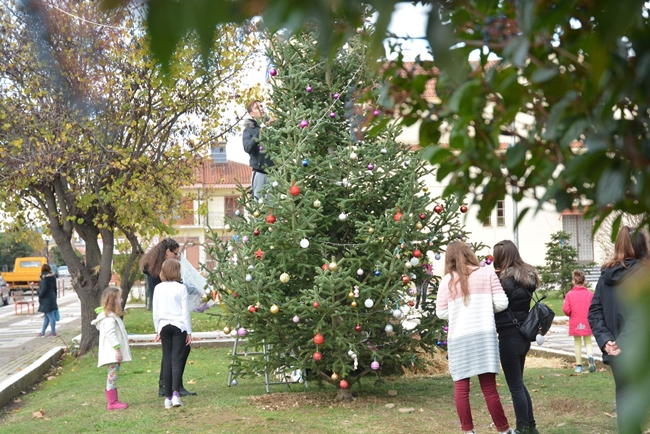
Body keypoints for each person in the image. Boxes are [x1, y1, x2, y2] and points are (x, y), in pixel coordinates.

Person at [435, 241, 515, 434]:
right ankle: (504, 430)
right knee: (489, 389)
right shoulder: (487, 273)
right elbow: (502, 303)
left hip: (459, 339)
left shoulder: (446, 281)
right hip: (484, 338)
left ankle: (468, 431)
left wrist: (459, 310)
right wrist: (484, 306)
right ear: (469, 253)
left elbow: (441, 313)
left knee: (461, 388)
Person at [589, 226, 649, 434]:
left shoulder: (605, 275)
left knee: (624, 397)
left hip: (616, 349)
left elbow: (594, 311)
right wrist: (616, 343)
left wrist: (607, 341)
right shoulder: (644, 273)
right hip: (639, 349)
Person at [492, 240, 539, 434]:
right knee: (519, 383)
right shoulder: (527, 277)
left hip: (508, 335)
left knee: (515, 386)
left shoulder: (503, 281)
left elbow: (496, 305)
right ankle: (531, 426)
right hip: (524, 334)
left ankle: (523, 428)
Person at [140, 238, 196, 397]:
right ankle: (173, 386)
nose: (177, 256)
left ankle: (166, 385)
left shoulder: (155, 269)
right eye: (175, 253)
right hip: (172, 317)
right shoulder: (160, 272)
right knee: (177, 351)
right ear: (167, 252)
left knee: (171, 352)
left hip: (164, 318)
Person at [153, 258, 193, 409]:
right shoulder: (181, 288)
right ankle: (176, 394)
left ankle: (167, 398)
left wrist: (157, 329)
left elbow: (156, 311)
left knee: (167, 360)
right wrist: (188, 332)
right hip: (179, 326)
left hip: (164, 326)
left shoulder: (158, 288)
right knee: (176, 360)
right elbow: (185, 312)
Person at [91, 286, 132, 411]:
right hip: (113, 352)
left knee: (113, 375)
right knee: (112, 376)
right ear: (113, 300)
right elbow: (111, 335)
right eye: (119, 297)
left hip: (113, 351)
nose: (121, 300)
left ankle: (113, 400)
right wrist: (117, 350)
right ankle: (112, 402)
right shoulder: (108, 318)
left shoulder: (111, 316)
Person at [562, 269, 596, 373]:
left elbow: (566, 309)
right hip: (587, 321)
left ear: (573, 281)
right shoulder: (590, 294)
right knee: (588, 341)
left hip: (575, 321)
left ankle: (579, 365)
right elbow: (594, 308)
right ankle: (590, 356)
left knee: (577, 343)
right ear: (584, 281)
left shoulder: (569, 295)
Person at [242, 99, 274, 199]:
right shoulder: (249, 130)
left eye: (261, 106)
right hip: (259, 172)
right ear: (251, 114)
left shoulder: (272, 126)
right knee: (258, 203)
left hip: (274, 173)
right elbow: (248, 147)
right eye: (257, 107)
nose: (261, 108)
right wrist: (260, 132)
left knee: (273, 204)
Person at [37, 263, 58, 337]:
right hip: (52, 297)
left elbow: (43, 289)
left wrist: (39, 295)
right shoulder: (53, 277)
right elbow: (55, 288)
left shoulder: (44, 278)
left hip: (46, 299)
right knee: (47, 315)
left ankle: (53, 332)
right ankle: (42, 332)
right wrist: (55, 297)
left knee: (50, 316)